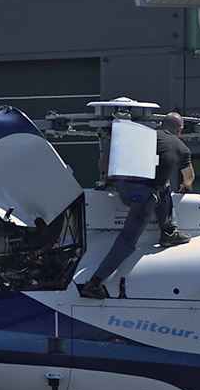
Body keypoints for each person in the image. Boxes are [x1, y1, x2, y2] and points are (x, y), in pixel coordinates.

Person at [78, 112, 193, 300]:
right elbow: (188, 179)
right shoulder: (182, 148)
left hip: (125, 190)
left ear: (160, 124)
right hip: (143, 198)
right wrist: (186, 185)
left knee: (162, 184)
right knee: (127, 242)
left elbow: (115, 161)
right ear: (179, 130)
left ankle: (169, 231)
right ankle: (94, 283)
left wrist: (107, 167)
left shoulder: (146, 136)